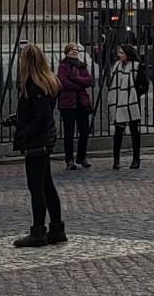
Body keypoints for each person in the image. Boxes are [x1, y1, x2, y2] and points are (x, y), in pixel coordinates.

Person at [6, 42, 65, 248]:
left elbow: (42, 117)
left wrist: (24, 132)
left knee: (36, 187)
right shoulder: (47, 82)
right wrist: (18, 118)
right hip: (43, 139)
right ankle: (57, 229)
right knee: (47, 185)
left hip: (37, 142)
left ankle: (38, 231)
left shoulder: (35, 85)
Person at [108, 42, 146, 170]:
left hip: (131, 102)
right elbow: (112, 83)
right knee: (118, 132)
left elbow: (144, 85)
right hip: (119, 101)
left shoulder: (136, 66)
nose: (119, 55)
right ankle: (116, 159)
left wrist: (134, 93)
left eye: (121, 53)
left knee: (134, 131)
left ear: (128, 55)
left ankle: (136, 159)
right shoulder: (117, 66)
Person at [57, 42, 93, 170]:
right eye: (72, 50)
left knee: (84, 131)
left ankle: (81, 156)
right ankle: (69, 159)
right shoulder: (63, 65)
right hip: (68, 103)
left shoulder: (82, 65)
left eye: (76, 49)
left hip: (81, 103)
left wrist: (75, 79)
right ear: (66, 52)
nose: (74, 51)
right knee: (69, 132)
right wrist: (78, 85)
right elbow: (62, 81)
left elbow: (89, 80)